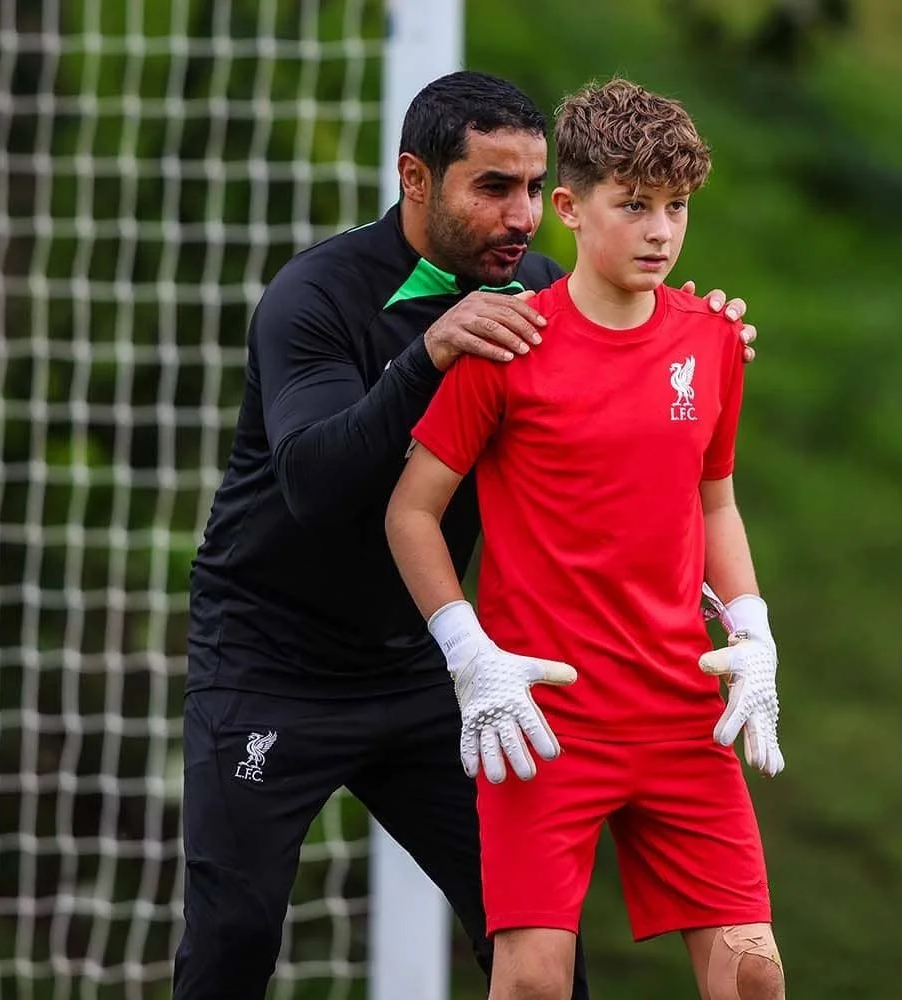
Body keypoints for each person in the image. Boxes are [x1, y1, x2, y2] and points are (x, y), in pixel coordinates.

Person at [173, 70, 759, 1000]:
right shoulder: (316, 296)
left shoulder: (537, 291)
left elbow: (624, 385)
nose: (521, 216)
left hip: (439, 662)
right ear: (416, 178)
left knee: (534, 951)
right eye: (492, 187)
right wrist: (430, 354)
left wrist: (698, 338)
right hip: (274, 662)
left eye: (532, 187)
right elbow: (317, 486)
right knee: (234, 936)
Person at [385, 78, 787, 1000]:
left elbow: (715, 503)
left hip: (681, 710)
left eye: (677, 207)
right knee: (534, 982)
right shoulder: (509, 345)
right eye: (634, 204)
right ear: (568, 208)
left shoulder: (713, 341)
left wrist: (754, 632)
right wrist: (471, 656)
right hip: (546, 717)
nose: (660, 231)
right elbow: (410, 512)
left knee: (755, 976)